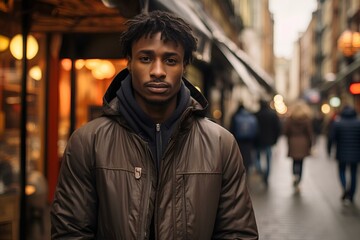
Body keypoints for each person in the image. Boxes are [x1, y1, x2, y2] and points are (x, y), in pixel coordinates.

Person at [51, 10, 258, 239]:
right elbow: (70, 232)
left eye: (170, 60)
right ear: (129, 62)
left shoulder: (221, 145)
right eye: (146, 58)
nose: (158, 72)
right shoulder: (88, 142)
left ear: (184, 65)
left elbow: (237, 233)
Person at [328, 105, 360, 204]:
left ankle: (345, 187)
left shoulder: (338, 123)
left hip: (341, 152)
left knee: (342, 170)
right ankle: (351, 194)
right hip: (356, 153)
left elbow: (331, 138)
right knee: (354, 173)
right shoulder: (358, 123)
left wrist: (329, 150)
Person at [283, 100, 313, 192]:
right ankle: (299, 179)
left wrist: (289, 139)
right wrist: (310, 145)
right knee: (301, 162)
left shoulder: (290, 119)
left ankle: (295, 175)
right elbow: (309, 134)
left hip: (293, 142)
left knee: (294, 161)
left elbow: (285, 131)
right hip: (303, 143)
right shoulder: (306, 119)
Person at [254, 99, 281, 186]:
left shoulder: (256, 115)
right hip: (269, 141)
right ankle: (266, 175)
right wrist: (275, 139)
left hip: (258, 140)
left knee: (257, 158)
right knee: (268, 159)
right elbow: (277, 128)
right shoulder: (272, 114)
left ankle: (261, 171)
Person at [230, 104, 259, 173]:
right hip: (249, 141)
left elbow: (232, 129)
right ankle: (247, 169)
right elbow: (256, 130)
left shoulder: (236, 116)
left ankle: (239, 169)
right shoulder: (251, 117)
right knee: (247, 155)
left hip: (239, 141)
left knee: (239, 155)